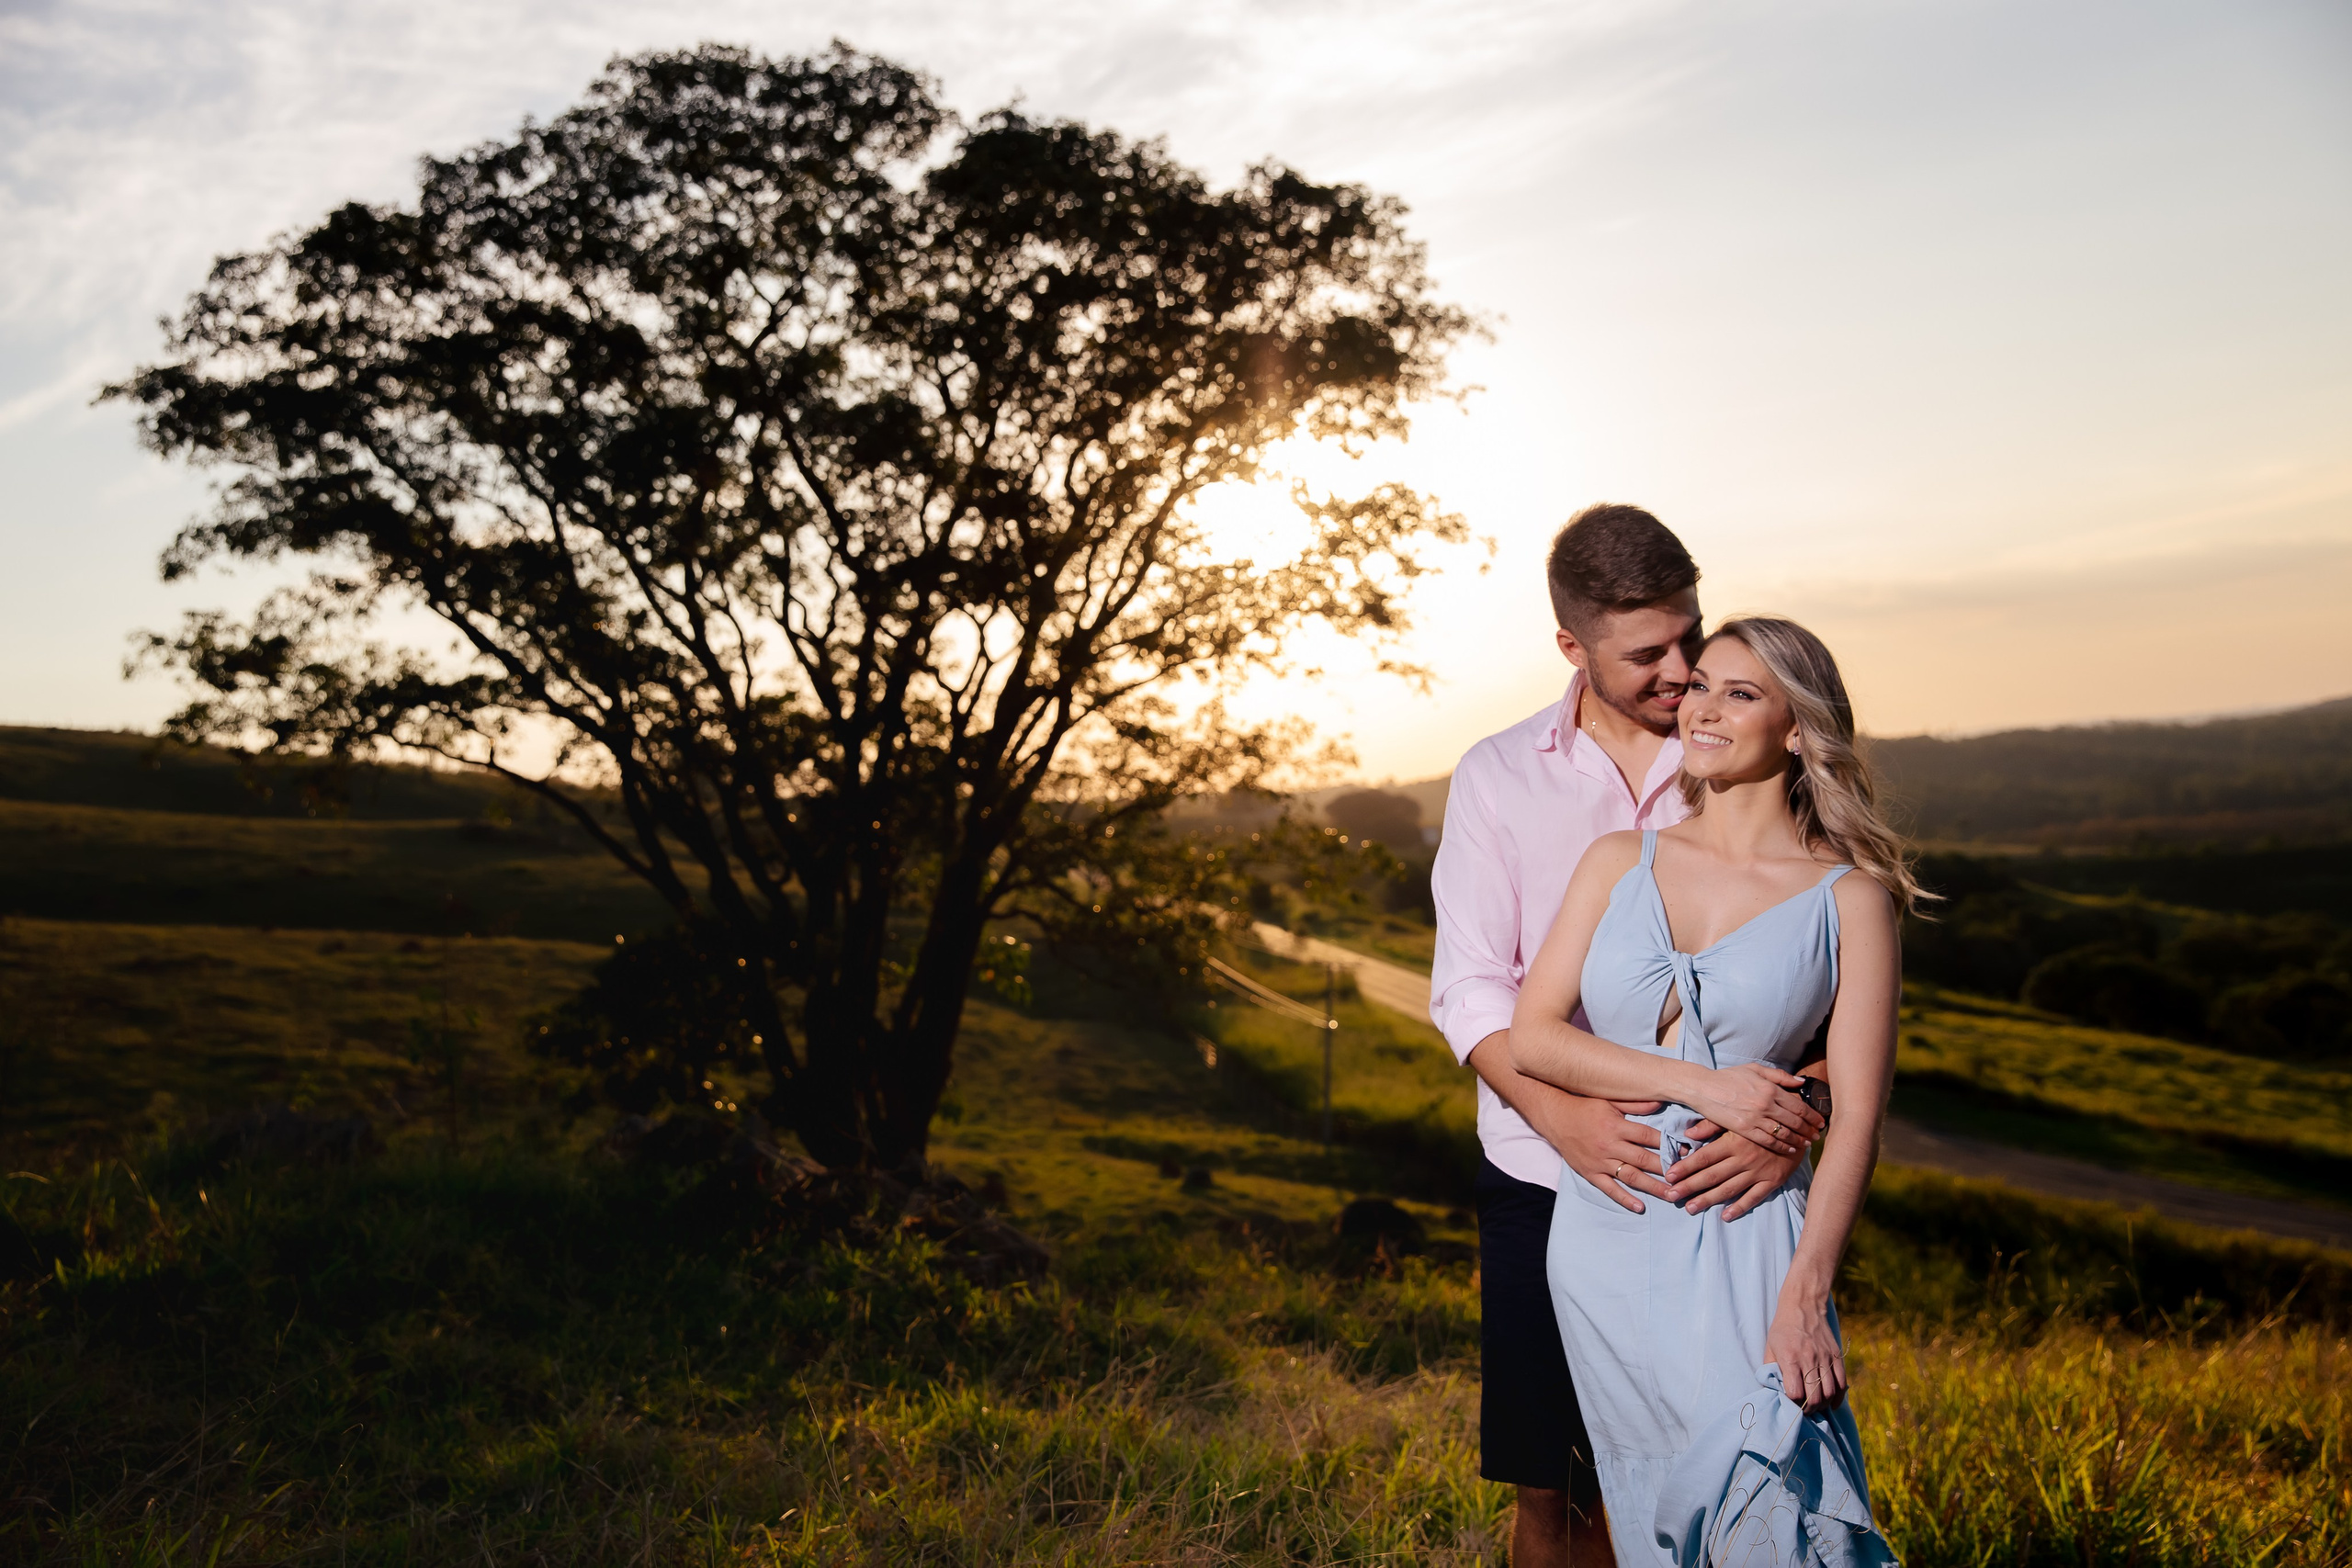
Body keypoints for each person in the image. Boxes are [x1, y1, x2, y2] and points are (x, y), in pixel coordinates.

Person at [1430, 507, 1826, 1568]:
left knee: (1723, 1484)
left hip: (1722, 1191)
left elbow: (1831, 986)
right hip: (1539, 1175)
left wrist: (1798, 1118)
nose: (1683, 671)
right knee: (1556, 1491)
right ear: (1572, 646)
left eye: (1689, 635)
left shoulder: (1748, 754)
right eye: (1647, 654)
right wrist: (1561, 1119)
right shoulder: (1497, 776)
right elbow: (1468, 985)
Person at [1509, 615, 1915, 1568]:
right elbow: (1535, 1038)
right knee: (1655, 1518)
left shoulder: (1849, 899)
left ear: (1799, 729)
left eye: (1740, 693)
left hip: (1747, 1237)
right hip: (1606, 1236)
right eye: (1701, 687)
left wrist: (1806, 1294)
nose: (1703, 708)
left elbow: (1858, 1114)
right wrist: (1704, 1086)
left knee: (1772, 1516)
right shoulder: (1618, 860)